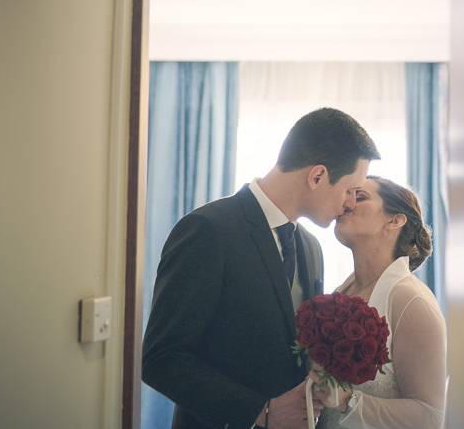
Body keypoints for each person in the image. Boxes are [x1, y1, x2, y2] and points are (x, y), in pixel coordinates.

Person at [143, 108, 381, 429]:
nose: (351, 203)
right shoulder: (208, 230)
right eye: (351, 189)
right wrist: (260, 410)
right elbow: (162, 359)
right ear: (317, 176)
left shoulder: (311, 248)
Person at [317, 176, 447, 429]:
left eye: (360, 196)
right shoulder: (341, 292)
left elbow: (430, 416)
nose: (347, 203)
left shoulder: (411, 301)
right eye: (348, 194)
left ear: (395, 220)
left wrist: (347, 400)